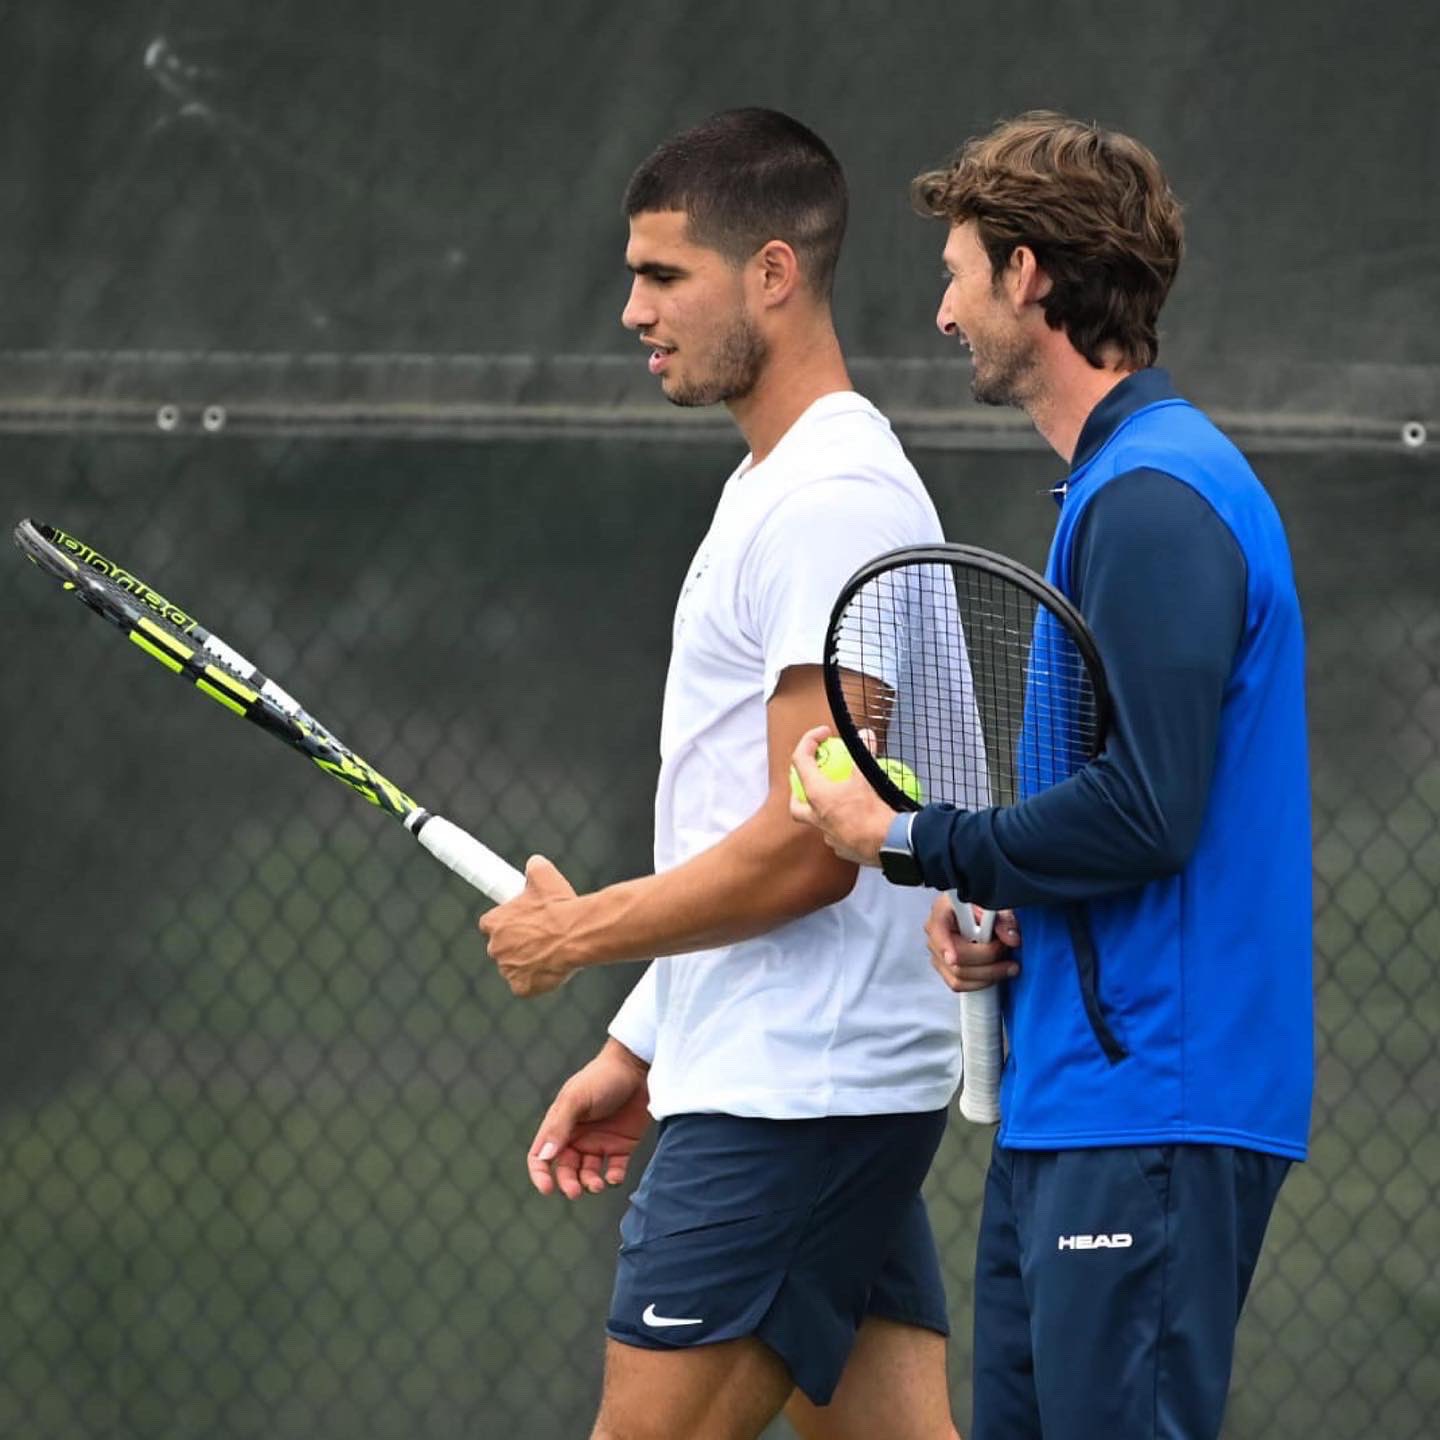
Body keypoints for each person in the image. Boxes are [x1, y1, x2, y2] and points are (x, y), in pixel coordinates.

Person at [790, 112, 1313, 1440]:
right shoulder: (1116, 491)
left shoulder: (1155, 499)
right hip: (1079, 1101)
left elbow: (1152, 808)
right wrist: (1020, 910)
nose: (944, 307)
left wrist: (914, 837)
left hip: (1156, 1104)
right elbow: (1129, 823)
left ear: (1030, 276)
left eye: (961, 270)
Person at [479, 108, 982, 1440]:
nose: (634, 311)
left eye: (663, 277)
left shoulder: (829, 501)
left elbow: (815, 845)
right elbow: (762, 823)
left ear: (771, 273)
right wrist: (646, 1041)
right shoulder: (779, 486)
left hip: (792, 1103)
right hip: (795, 1080)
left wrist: (579, 935)